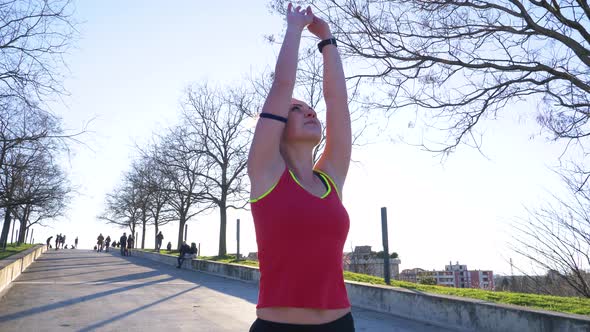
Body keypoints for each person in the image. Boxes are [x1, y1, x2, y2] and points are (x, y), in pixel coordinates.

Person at [247, 4, 354, 331]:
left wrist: (327, 41)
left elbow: (337, 103)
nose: (310, 112)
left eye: (310, 109)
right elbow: (282, 85)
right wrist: (294, 29)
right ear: (277, 124)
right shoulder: (265, 172)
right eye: (296, 110)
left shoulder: (330, 179)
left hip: (340, 324)